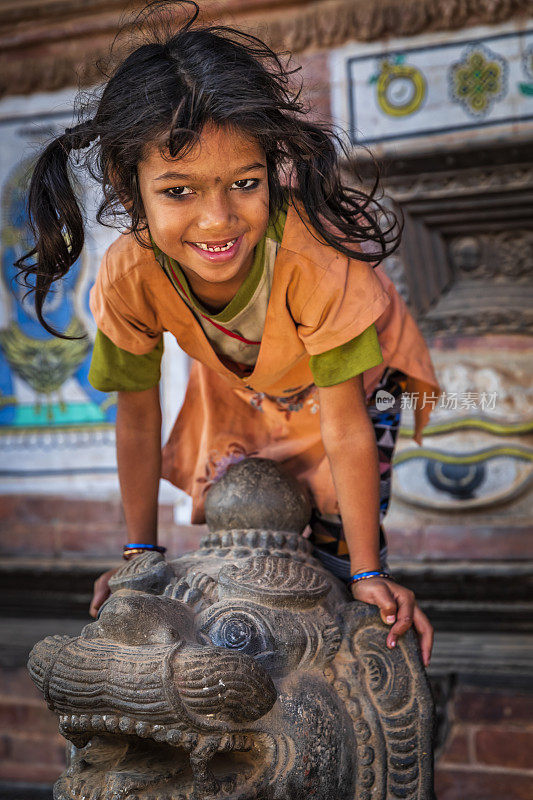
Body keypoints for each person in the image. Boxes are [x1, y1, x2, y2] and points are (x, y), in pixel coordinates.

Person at [16, 2, 439, 666]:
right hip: (241, 386)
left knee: (330, 561)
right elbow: (136, 414)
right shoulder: (130, 273)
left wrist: (366, 574)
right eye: (178, 192)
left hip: (357, 388)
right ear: (131, 191)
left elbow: (347, 425)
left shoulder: (313, 260)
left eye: (244, 184)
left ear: (272, 170)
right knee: (242, 520)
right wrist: (138, 556)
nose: (217, 222)